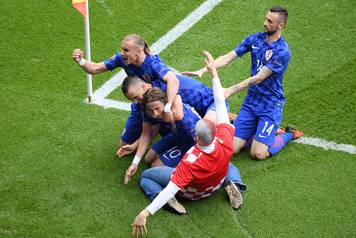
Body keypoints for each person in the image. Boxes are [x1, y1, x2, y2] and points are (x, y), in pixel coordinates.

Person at [131, 51, 246, 237]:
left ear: (196, 139)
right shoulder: (225, 139)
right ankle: (234, 183)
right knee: (224, 164)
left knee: (146, 176)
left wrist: (145, 213)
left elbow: (171, 189)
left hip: (193, 193)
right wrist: (214, 74)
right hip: (215, 182)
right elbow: (220, 102)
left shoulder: (190, 161)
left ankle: (171, 203)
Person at [72, 34, 229, 154]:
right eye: (122, 49)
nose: (122, 53)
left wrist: (167, 107)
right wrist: (80, 61)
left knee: (187, 129)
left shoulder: (153, 63)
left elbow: (173, 81)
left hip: (161, 101)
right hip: (141, 102)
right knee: (123, 145)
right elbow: (94, 69)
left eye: (126, 50)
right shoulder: (122, 59)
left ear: (138, 51)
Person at [183, 6, 303, 160]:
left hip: (270, 106)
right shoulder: (255, 39)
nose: (265, 23)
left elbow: (259, 78)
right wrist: (202, 70)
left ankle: (287, 134)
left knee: (258, 153)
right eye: (265, 18)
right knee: (231, 149)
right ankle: (257, 131)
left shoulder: (282, 51)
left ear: (281, 26)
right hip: (251, 102)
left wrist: (231, 90)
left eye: (270, 21)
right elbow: (228, 57)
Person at [123, 87, 202, 184]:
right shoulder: (151, 109)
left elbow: (201, 142)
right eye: (151, 110)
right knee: (148, 158)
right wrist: (134, 163)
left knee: (155, 166)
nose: (155, 114)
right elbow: (146, 135)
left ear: (165, 104)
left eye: (157, 108)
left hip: (191, 142)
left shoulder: (182, 120)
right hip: (177, 135)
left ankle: (182, 172)